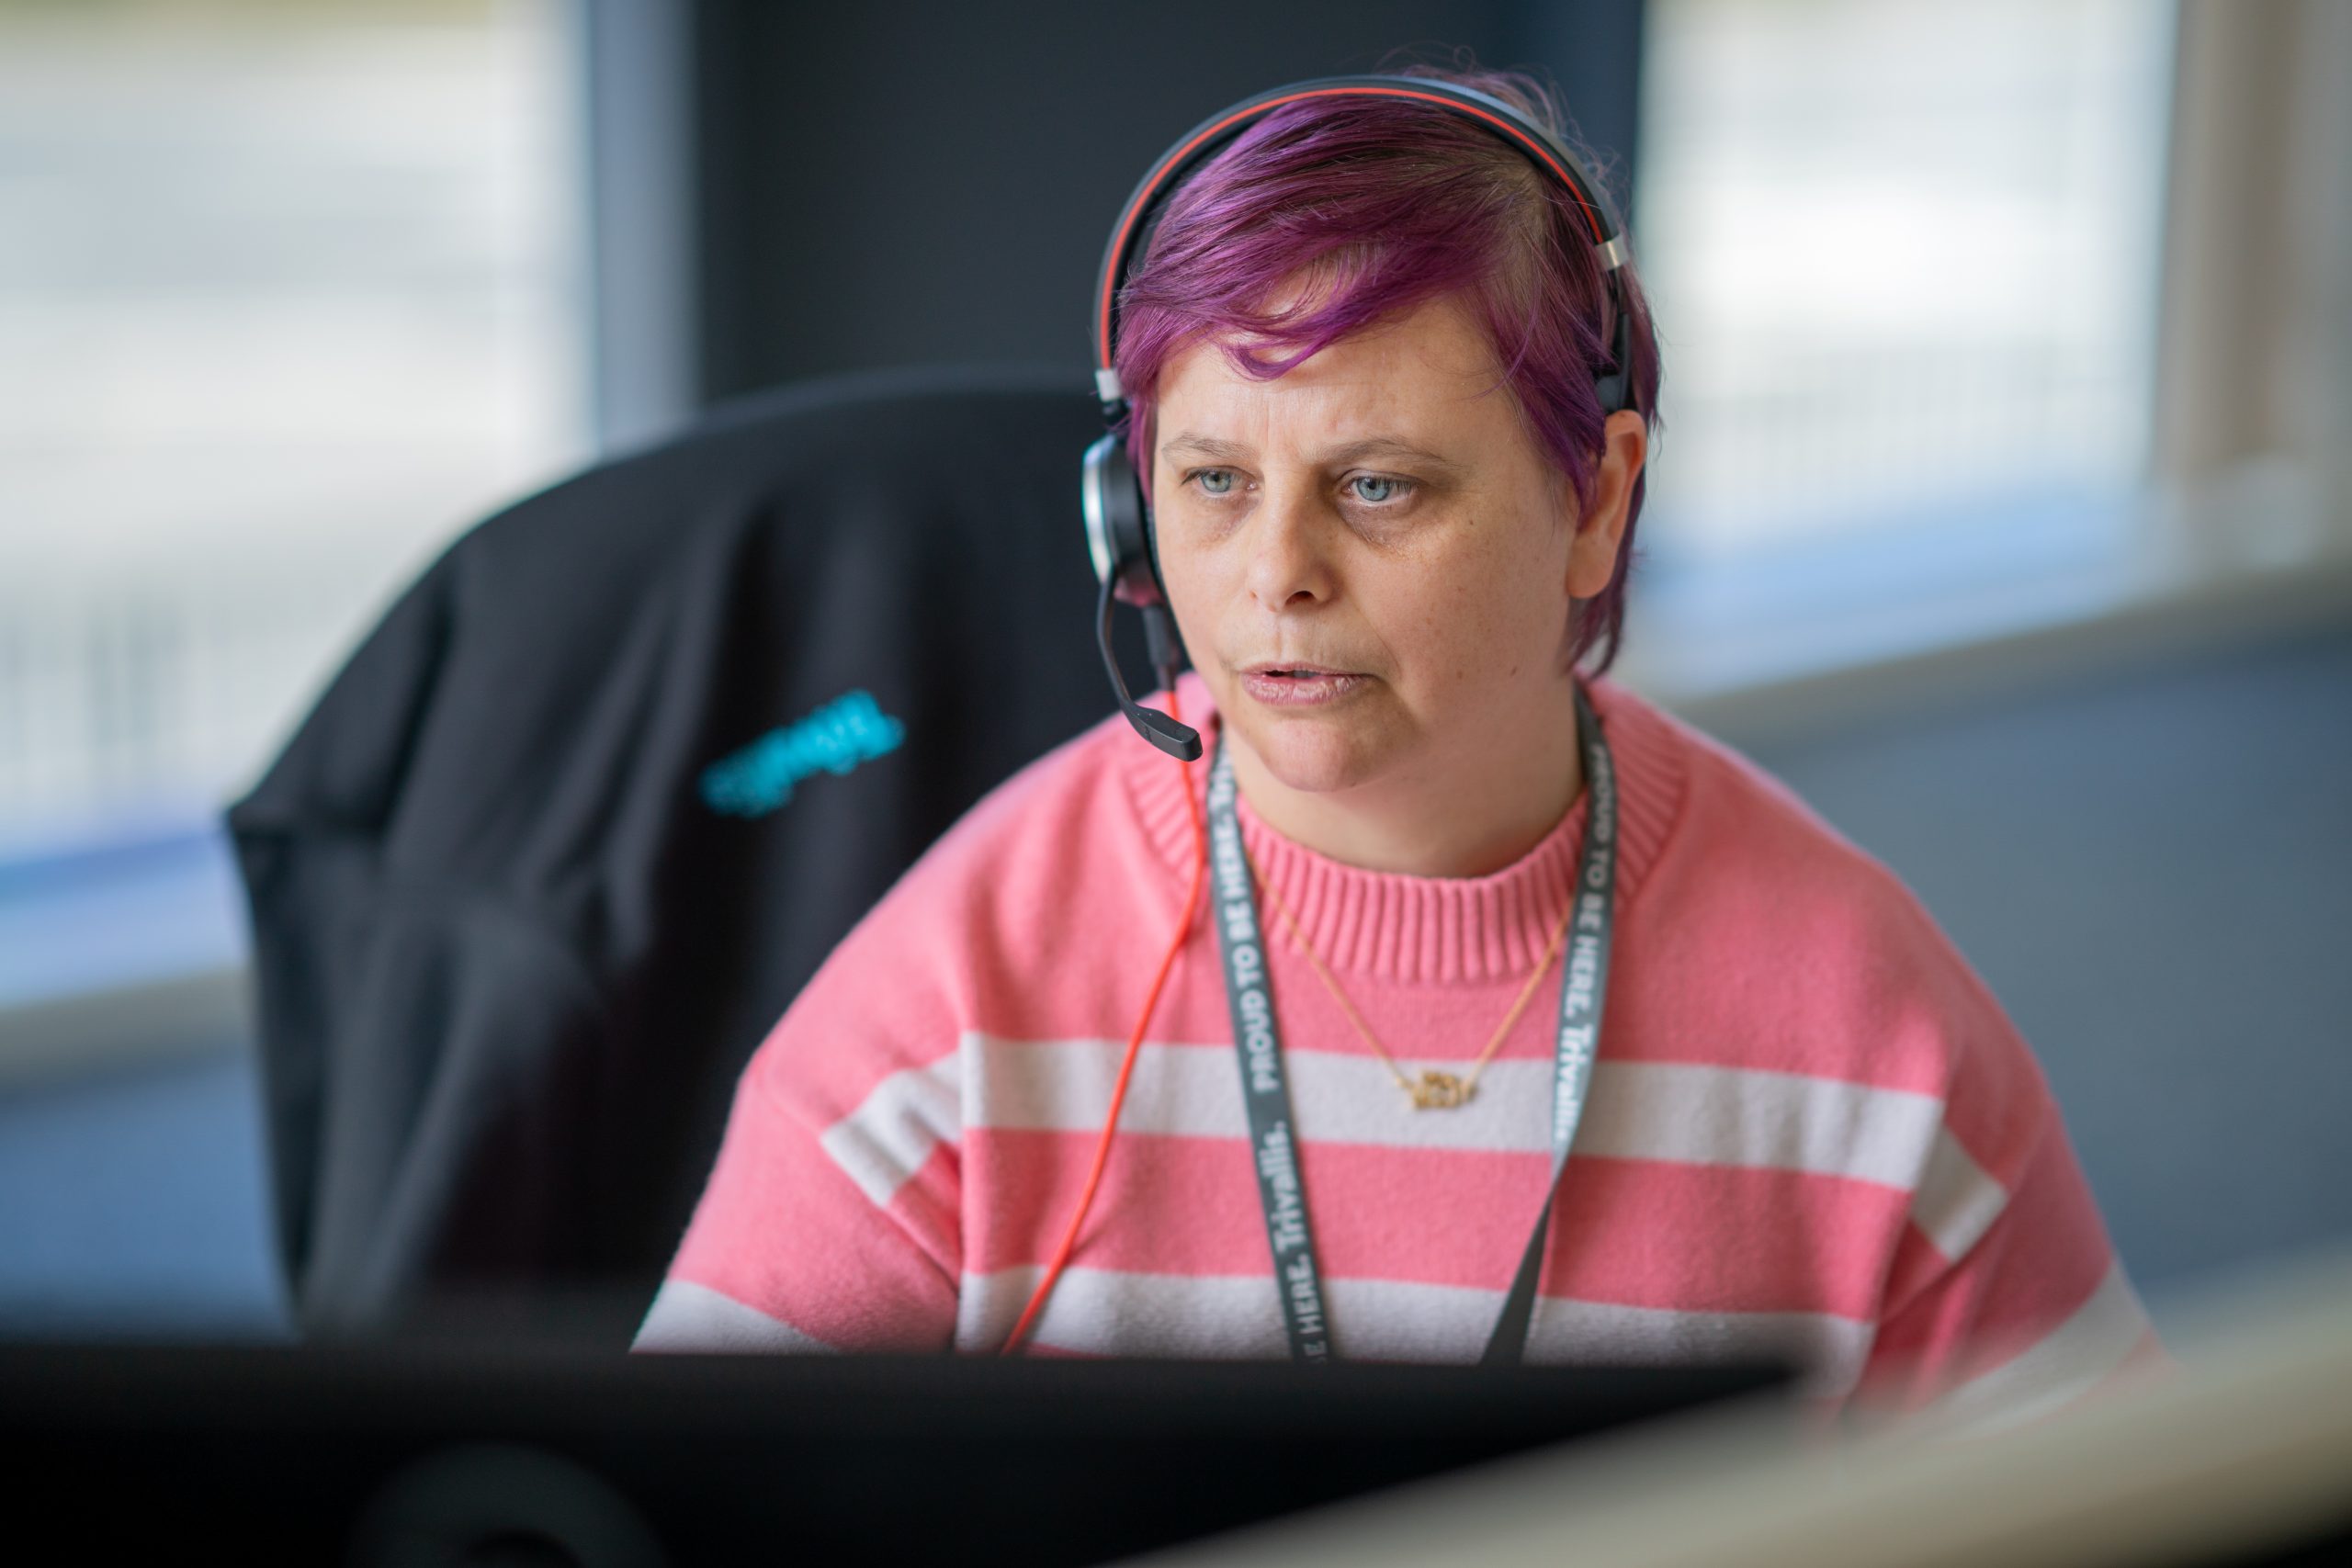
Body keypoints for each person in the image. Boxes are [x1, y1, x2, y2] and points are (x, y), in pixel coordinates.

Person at [636, 61, 2161, 1425]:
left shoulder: (1865, 1028)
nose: (1273, 574)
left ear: (1600, 500)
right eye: (1215, 481)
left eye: (1378, 487)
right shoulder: (964, 998)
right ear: (1128, 507)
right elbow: (681, 1514)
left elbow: (2116, 1506)